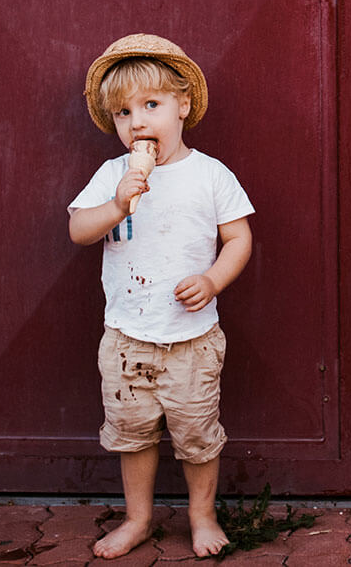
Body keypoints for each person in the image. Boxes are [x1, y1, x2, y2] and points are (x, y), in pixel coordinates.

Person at [69, 34, 254, 558]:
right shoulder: (112, 175)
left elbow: (238, 238)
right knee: (132, 434)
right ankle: (139, 518)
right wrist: (116, 206)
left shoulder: (209, 174)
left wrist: (214, 280)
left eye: (151, 105)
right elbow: (80, 230)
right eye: (124, 113)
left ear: (183, 106)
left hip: (191, 339)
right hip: (127, 337)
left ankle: (201, 514)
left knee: (196, 434)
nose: (138, 122)